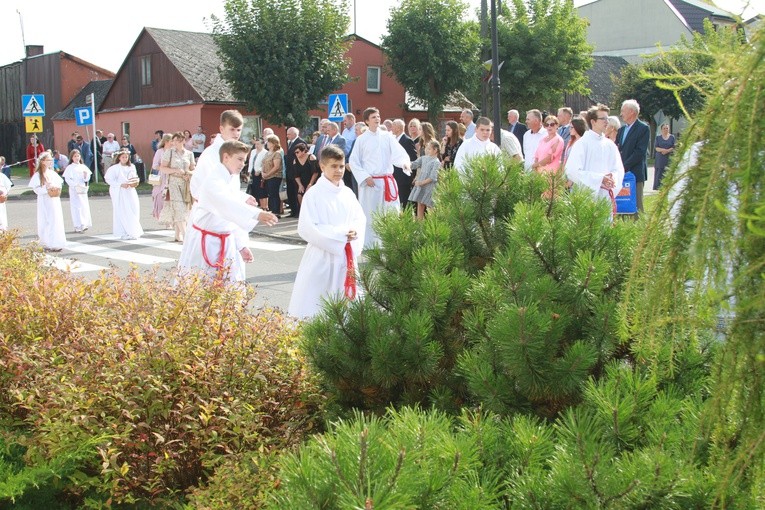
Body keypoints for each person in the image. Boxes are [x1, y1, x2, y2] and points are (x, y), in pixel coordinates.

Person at [177, 140, 278, 284]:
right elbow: (226, 203)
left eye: (244, 160)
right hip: (209, 242)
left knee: (229, 288)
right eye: (239, 159)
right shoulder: (213, 181)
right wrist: (257, 214)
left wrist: (242, 245)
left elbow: (232, 212)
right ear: (226, 157)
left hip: (225, 242)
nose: (243, 164)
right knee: (203, 287)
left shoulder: (228, 179)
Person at [288, 145, 365, 319]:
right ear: (322, 167)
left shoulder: (347, 193)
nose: (338, 170)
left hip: (345, 256)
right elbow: (307, 227)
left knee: (346, 302)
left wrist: (354, 232)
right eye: (333, 166)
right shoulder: (313, 194)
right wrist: (340, 234)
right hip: (321, 256)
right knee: (317, 300)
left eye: (341, 166)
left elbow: (359, 219)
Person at [349, 106, 412, 249]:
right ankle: (370, 244)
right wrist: (365, 177)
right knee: (371, 214)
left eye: (378, 116)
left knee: (391, 212)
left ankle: (390, 243)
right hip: (371, 183)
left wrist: (404, 163)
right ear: (366, 121)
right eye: (373, 117)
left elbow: (398, 153)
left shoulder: (387, 137)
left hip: (387, 181)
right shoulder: (361, 140)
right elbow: (354, 161)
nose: (377, 119)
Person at [564, 104, 625, 218]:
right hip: (587, 197)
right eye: (603, 119)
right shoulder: (582, 143)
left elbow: (618, 169)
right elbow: (572, 171)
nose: (607, 121)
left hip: (605, 196)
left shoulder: (610, 145)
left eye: (608, 118)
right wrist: (599, 179)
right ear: (593, 122)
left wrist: (612, 179)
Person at [159, 132, 196, 242]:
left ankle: (177, 234)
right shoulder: (169, 153)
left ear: (183, 141)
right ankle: (186, 235)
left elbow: (193, 169)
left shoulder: (189, 154)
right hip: (173, 183)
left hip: (185, 184)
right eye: (174, 141)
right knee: (179, 207)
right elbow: (162, 168)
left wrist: (188, 173)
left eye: (179, 140)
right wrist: (175, 170)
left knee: (184, 208)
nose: (176, 143)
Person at [616, 99, 650, 215]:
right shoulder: (621, 130)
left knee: (636, 206)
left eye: (623, 111)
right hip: (622, 173)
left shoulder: (643, 128)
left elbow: (639, 152)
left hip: (635, 174)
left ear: (631, 112)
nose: (621, 114)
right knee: (623, 204)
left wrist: (624, 166)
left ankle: (639, 230)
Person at [28, 151, 66, 251]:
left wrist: (55, 188)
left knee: (55, 219)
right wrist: (46, 189)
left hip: (54, 199)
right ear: (43, 162)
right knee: (46, 220)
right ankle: (47, 242)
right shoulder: (38, 175)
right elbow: (36, 189)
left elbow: (59, 184)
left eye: (51, 160)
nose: (51, 161)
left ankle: (56, 242)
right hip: (44, 200)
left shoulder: (52, 173)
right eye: (49, 160)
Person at [104, 149, 143, 240]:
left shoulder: (132, 166)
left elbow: (134, 176)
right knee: (124, 211)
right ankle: (124, 231)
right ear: (119, 158)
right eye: (123, 157)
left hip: (130, 191)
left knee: (134, 208)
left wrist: (135, 181)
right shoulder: (114, 168)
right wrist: (120, 184)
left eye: (126, 157)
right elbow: (109, 179)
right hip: (120, 192)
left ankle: (133, 230)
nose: (125, 158)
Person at [62, 149, 93, 233]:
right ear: (72, 157)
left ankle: (84, 223)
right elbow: (68, 179)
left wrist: (85, 176)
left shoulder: (83, 166)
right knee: (76, 206)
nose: (77, 158)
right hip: (74, 189)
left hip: (82, 189)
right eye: (75, 156)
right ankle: (77, 225)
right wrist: (75, 185)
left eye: (78, 156)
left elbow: (87, 178)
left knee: (83, 206)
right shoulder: (70, 167)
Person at [409, 140, 441, 220]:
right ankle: (420, 226)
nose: (427, 150)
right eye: (427, 148)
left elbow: (433, 177)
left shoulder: (436, 162)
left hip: (430, 187)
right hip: (421, 187)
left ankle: (432, 226)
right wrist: (406, 164)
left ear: (435, 150)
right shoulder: (423, 158)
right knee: (420, 204)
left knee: (430, 207)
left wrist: (420, 182)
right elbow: (414, 164)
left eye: (429, 149)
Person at [391, 119, 418, 205]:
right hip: (395, 176)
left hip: (403, 177)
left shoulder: (407, 140)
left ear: (398, 128)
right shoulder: (393, 139)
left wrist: (412, 176)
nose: (391, 128)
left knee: (404, 202)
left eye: (393, 126)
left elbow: (413, 158)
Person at [261, 135, 284, 217]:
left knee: (274, 194)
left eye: (269, 142)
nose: (267, 143)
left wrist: (267, 174)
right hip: (267, 177)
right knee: (270, 194)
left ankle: (276, 211)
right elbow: (263, 163)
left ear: (273, 143)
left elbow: (276, 167)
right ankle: (272, 210)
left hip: (275, 176)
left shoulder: (276, 153)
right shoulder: (267, 153)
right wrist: (263, 173)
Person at [151, 133, 172, 221]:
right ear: (167, 141)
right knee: (160, 196)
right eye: (172, 141)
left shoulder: (174, 151)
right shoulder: (160, 151)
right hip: (162, 175)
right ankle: (161, 216)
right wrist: (164, 168)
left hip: (172, 175)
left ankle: (171, 218)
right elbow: (154, 165)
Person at [292, 142, 319, 207]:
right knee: (299, 195)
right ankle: (303, 212)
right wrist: (300, 185)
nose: (296, 154)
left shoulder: (311, 157)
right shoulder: (295, 160)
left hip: (313, 181)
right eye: (295, 153)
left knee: (311, 197)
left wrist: (310, 184)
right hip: (302, 181)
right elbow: (296, 175)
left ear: (303, 151)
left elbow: (315, 172)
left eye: (297, 152)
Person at [247, 137, 269, 210]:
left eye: (258, 144)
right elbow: (251, 161)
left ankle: (265, 206)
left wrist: (259, 170)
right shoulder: (253, 151)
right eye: (256, 144)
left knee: (262, 189)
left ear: (263, 144)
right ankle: (261, 206)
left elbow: (265, 164)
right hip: (253, 172)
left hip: (260, 173)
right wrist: (249, 171)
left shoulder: (265, 152)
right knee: (256, 189)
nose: (257, 146)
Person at [653, 123, 675, 189]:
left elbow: (673, 146)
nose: (666, 129)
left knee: (668, 170)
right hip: (660, 157)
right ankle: (658, 186)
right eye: (664, 128)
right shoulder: (658, 137)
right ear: (661, 129)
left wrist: (667, 151)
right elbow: (656, 147)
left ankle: (668, 185)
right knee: (659, 171)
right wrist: (663, 150)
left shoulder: (672, 137)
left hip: (669, 156)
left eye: (667, 128)